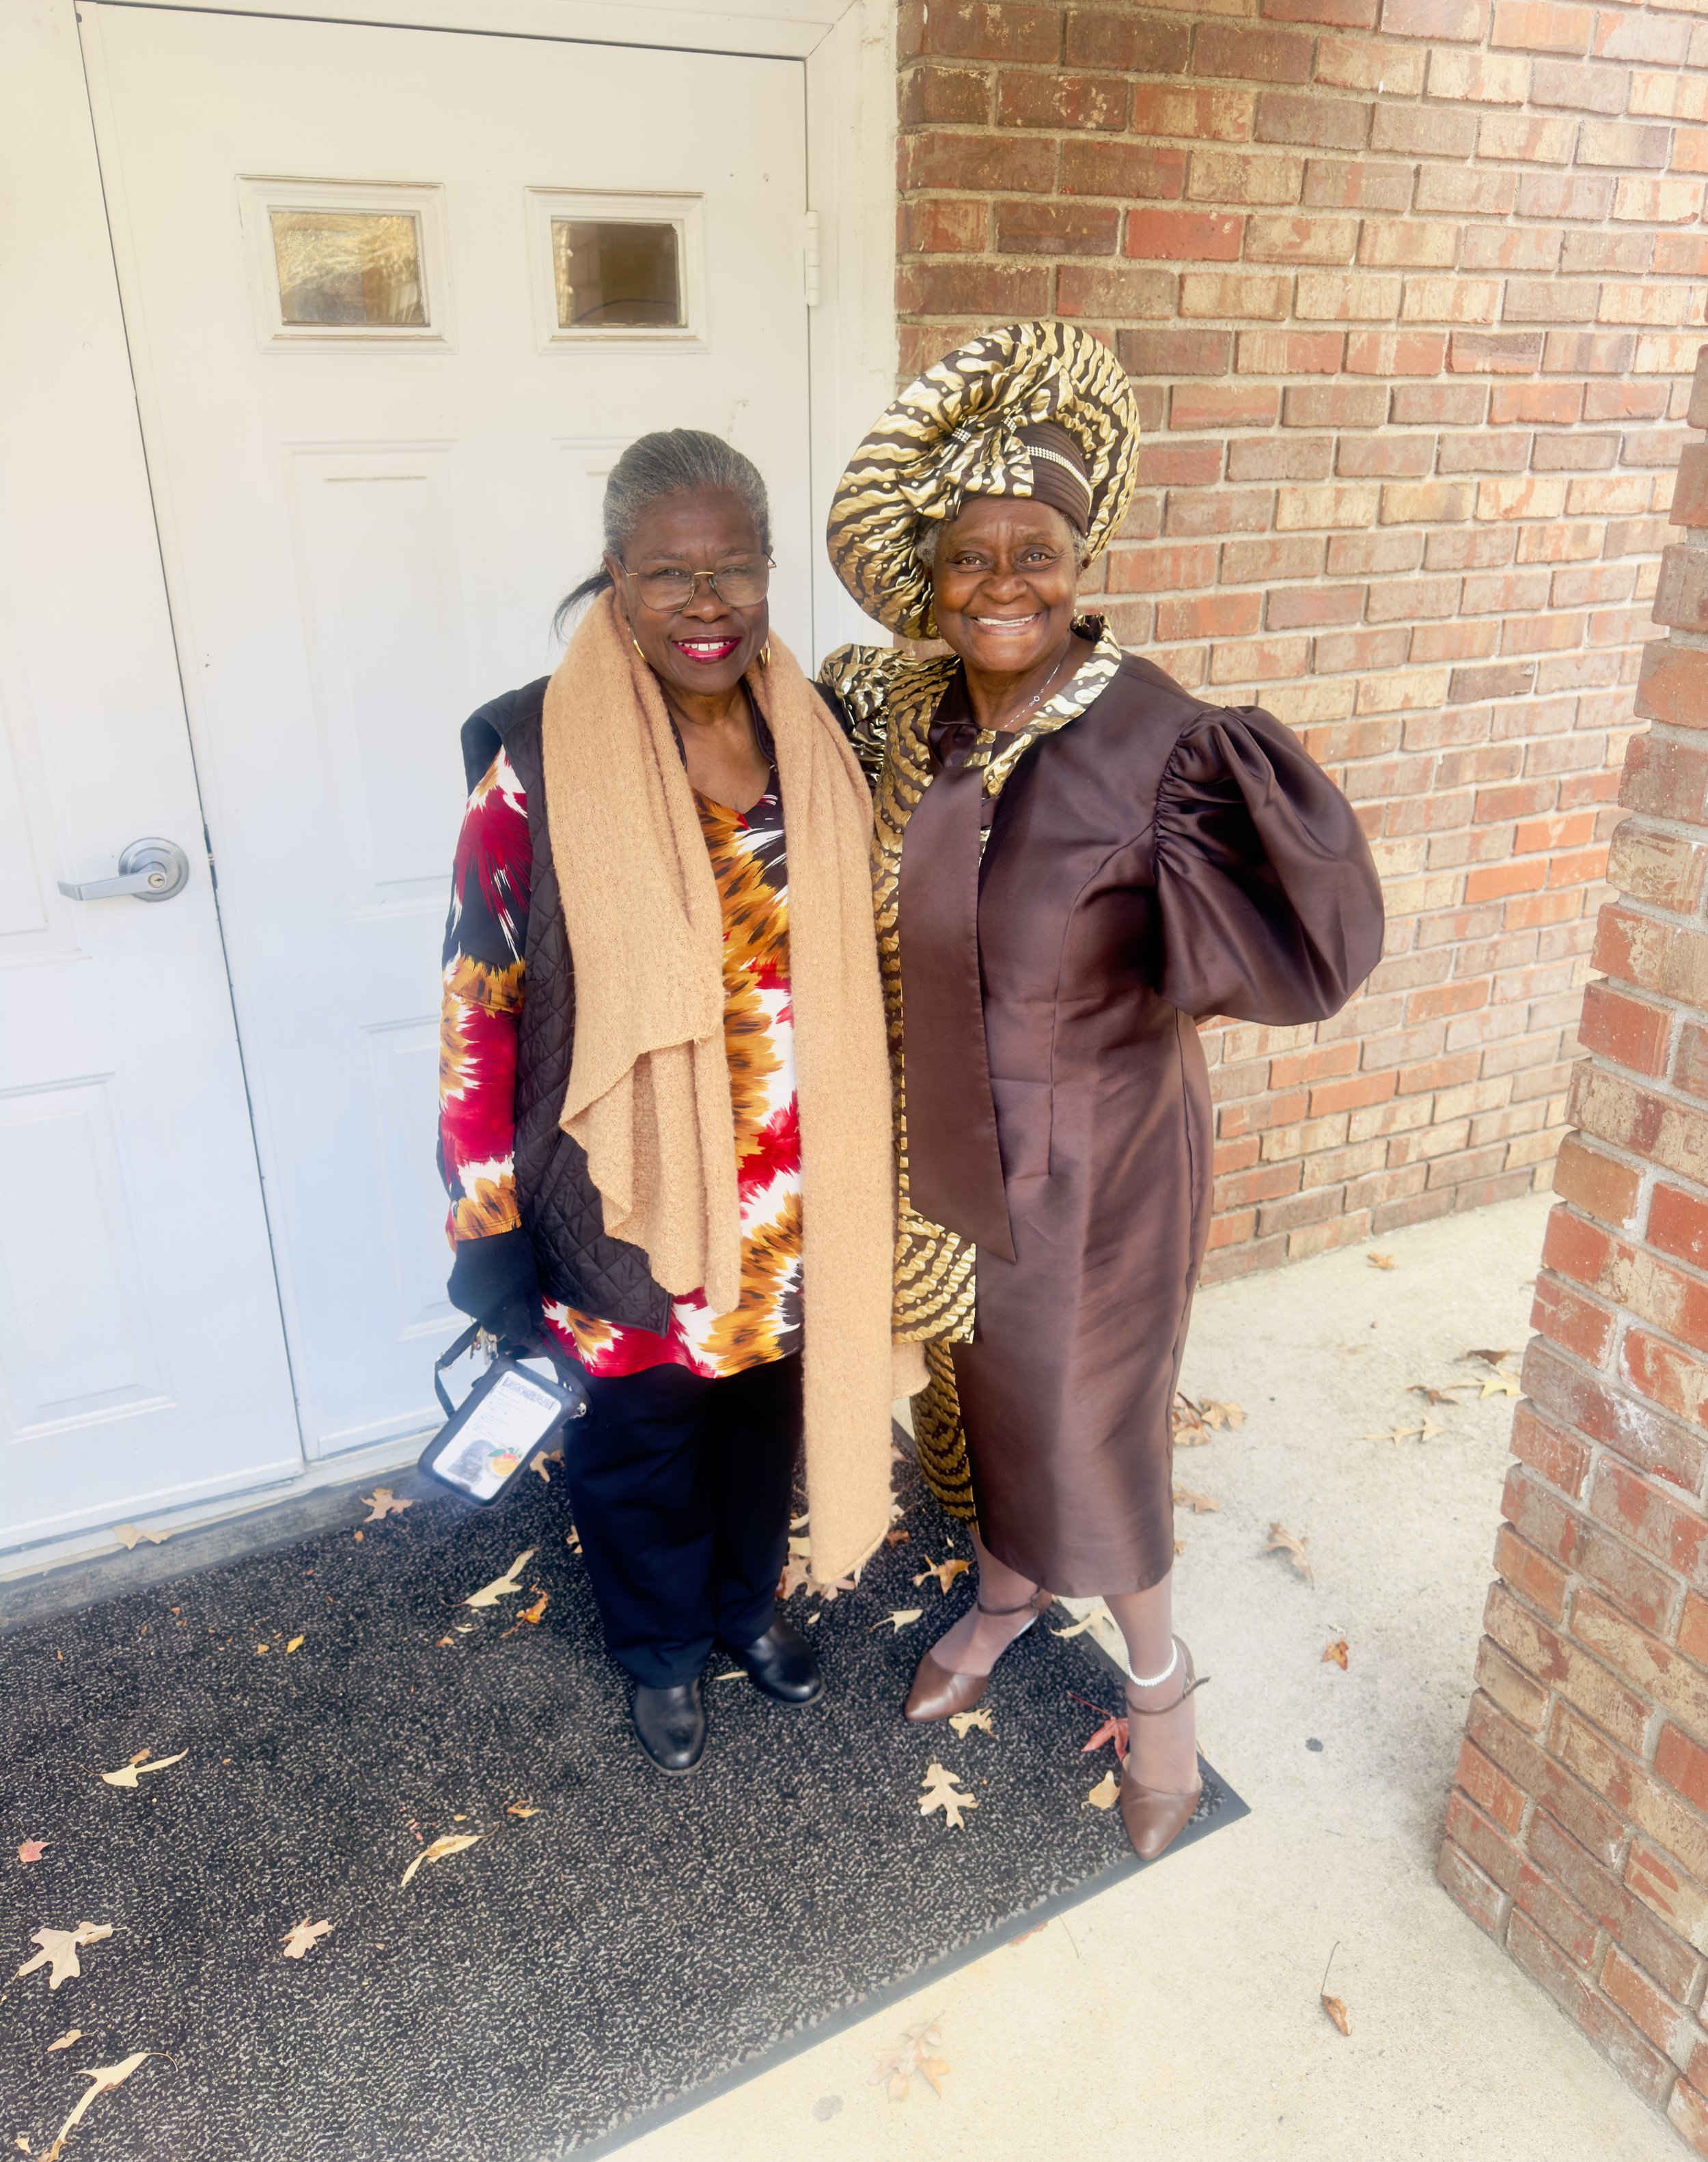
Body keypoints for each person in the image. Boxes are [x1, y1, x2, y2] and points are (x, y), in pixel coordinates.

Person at [819, 323, 1385, 1859]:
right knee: (974, 1391)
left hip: (1097, 1157)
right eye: (968, 556)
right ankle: (1006, 1594)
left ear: (1083, 558)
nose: (1002, 582)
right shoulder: (914, 716)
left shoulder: (1160, 743)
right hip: (939, 1141)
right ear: (927, 575)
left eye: (1037, 552)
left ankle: (1159, 1682)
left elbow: (1301, 946)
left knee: (1084, 1423)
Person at [438, 429, 902, 1774]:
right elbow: (479, 992)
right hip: (623, 1168)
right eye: (668, 575)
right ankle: (656, 1648)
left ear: (766, 572)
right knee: (642, 1428)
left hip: (790, 1174)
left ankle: (742, 1608)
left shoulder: (805, 724)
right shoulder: (536, 750)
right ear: (614, 578)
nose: (706, 605)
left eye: (734, 571)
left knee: (759, 1413)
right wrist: (485, 1217)